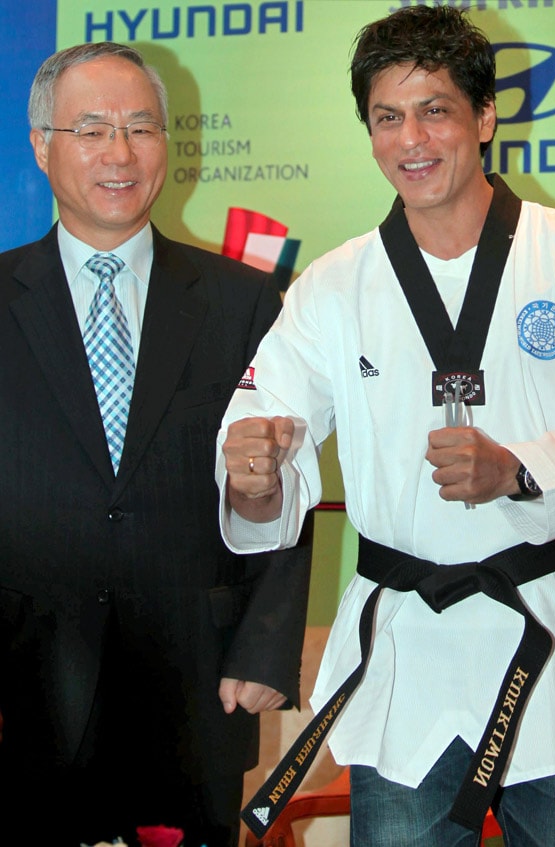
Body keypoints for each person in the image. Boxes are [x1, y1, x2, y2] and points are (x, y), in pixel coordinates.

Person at [217, 5, 555, 847]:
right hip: (406, 655)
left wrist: (520, 469)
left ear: (484, 117)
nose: (413, 139)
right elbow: (265, 437)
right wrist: (253, 478)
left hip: (550, 645)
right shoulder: (333, 288)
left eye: (435, 109)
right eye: (387, 117)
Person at [0, 41, 312, 847]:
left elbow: (282, 480)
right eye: (93, 129)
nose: (120, 153)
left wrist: (266, 646)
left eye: (141, 128)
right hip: (21, 678)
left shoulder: (243, 302)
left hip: (196, 679)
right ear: (42, 145)